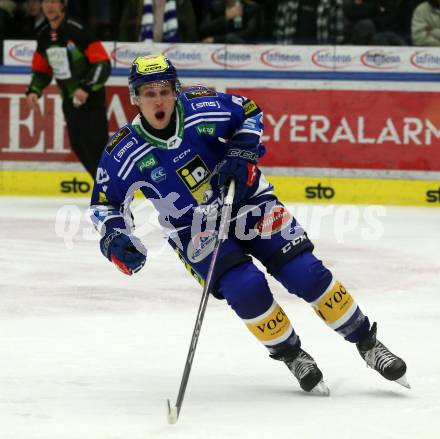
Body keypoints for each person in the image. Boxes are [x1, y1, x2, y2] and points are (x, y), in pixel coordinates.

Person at [89, 53, 409, 395]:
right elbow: (104, 205)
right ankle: (292, 354)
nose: (158, 99)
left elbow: (249, 111)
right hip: (195, 229)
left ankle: (367, 342)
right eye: (148, 93)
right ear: (135, 98)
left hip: (249, 203)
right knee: (245, 287)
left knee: (305, 273)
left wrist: (241, 154)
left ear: (175, 90)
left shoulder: (201, 106)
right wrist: (114, 237)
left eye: (164, 90)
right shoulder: (122, 150)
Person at [25, 0, 111, 178]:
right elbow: (42, 71)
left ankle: (113, 188)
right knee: (79, 145)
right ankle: (104, 186)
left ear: (63, 4)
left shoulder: (77, 29)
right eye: (46, 2)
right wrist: (34, 90)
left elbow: (103, 63)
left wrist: (86, 88)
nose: (49, 6)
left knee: (97, 146)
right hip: (69, 100)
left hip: (91, 99)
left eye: (54, 1)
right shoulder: (44, 36)